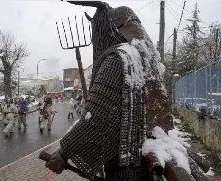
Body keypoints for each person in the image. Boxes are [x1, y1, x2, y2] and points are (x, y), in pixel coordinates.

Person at [44, 3, 174, 181]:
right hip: (143, 159)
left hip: (126, 168)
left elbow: (97, 118)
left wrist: (63, 152)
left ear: (108, 30)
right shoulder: (144, 62)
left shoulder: (117, 60)